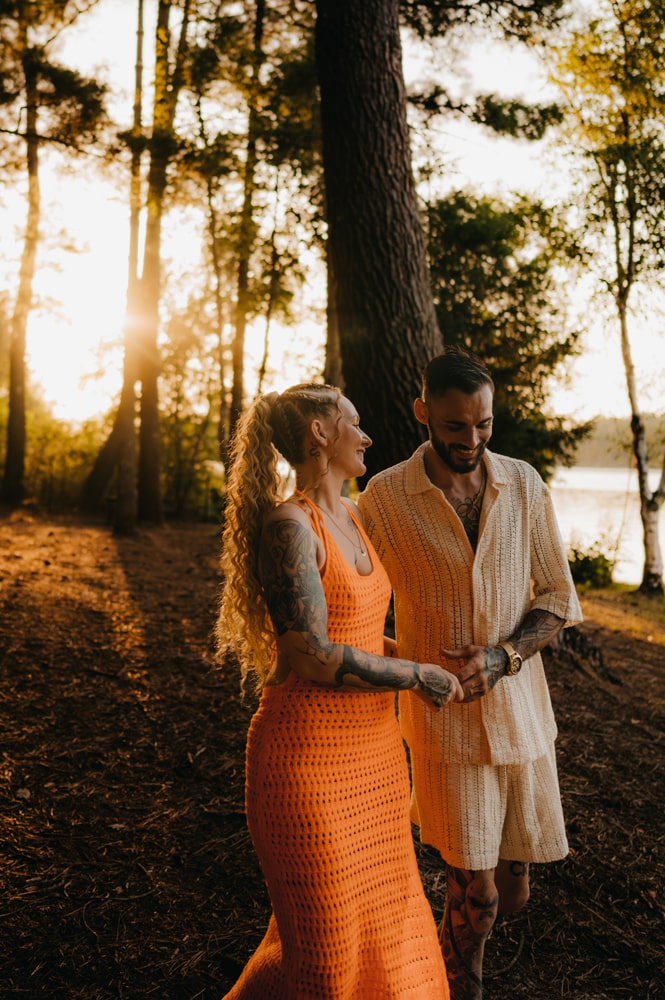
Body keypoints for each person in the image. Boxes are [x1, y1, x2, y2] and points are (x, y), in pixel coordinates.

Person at [216, 382, 464, 1000]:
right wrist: (415, 676)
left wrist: (422, 663)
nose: (367, 434)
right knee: (324, 957)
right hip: (305, 765)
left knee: (379, 934)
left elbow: (358, 637)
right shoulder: (289, 526)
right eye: (353, 422)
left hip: (377, 761)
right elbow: (312, 655)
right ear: (320, 434)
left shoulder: (353, 518)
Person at [357, 347, 583, 1000]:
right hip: (442, 727)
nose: (472, 439)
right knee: (474, 892)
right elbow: (354, 594)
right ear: (422, 412)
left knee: (511, 892)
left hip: (522, 720)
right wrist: (393, 662)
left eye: (482, 423)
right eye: (455, 426)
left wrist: (501, 657)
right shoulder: (383, 499)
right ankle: (455, 989)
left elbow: (556, 600)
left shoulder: (524, 483)